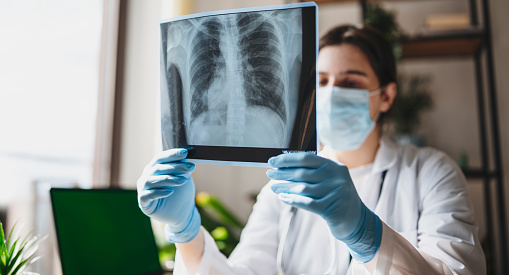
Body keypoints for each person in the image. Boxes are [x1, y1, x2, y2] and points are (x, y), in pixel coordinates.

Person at [137, 25, 486, 274]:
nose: (332, 93)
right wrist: (186, 232)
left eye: (350, 82)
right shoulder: (283, 184)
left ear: (387, 96)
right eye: (321, 81)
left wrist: (366, 232)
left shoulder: (431, 171)